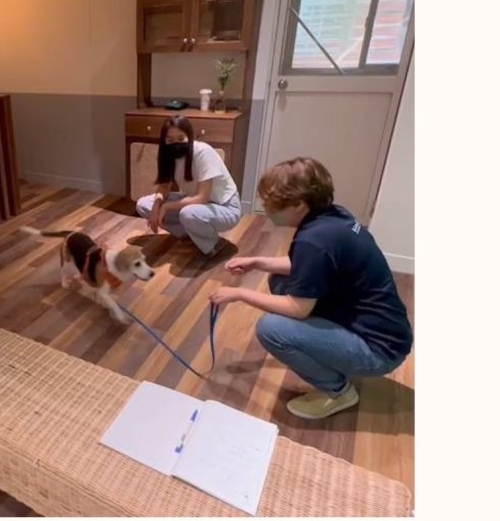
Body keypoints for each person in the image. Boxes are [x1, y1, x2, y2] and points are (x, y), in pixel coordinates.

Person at [209, 157, 413, 419]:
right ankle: (332, 352)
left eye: (271, 203)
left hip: (380, 351)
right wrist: (257, 262)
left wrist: (239, 294)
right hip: (386, 331)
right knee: (279, 281)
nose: (265, 208)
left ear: (299, 205)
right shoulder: (334, 218)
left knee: (271, 329)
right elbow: (306, 266)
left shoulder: (315, 239)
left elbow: (297, 309)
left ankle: (338, 391)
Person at [135, 115, 241, 258]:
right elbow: (164, 186)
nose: (176, 144)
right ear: (164, 141)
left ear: (189, 136)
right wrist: (157, 205)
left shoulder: (203, 152)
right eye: (170, 140)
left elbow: (203, 198)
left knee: (188, 213)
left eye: (181, 138)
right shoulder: (168, 155)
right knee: (143, 204)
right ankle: (189, 235)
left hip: (224, 206)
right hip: (193, 201)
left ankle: (213, 245)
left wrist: (167, 206)